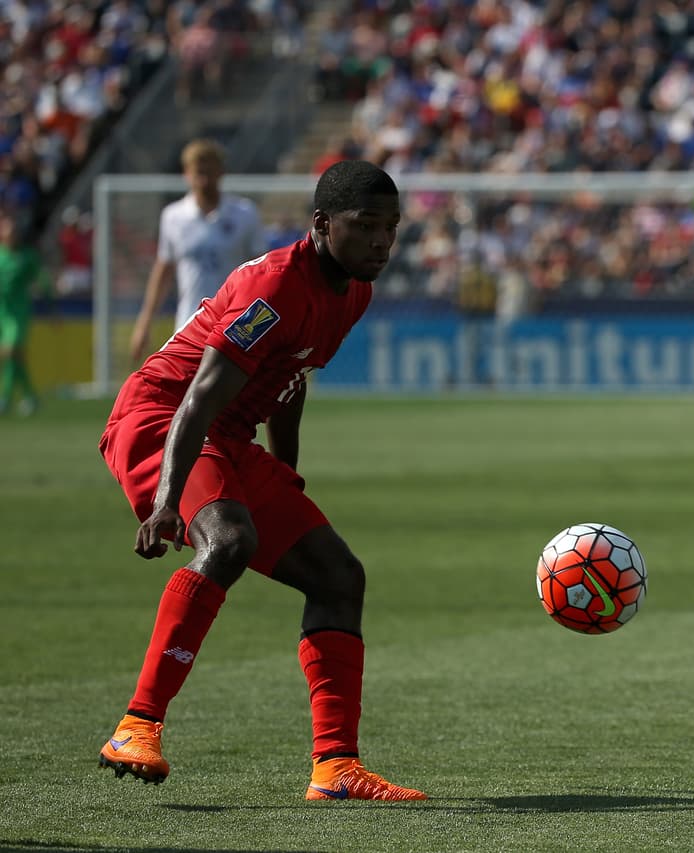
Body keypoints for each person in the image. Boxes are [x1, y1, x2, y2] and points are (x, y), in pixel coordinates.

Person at [98, 160, 425, 801]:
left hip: (229, 436)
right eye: (366, 227)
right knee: (227, 540)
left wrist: (287, 473)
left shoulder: (353, 289)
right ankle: (136, 726)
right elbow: (196, 398)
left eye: (391, 228)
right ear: (322, 224)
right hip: (161, 418)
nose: (382, 242)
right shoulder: (273, 290)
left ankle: (336, 769)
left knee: (338, 575)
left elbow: (289, 382)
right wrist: (167, 502)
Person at [129, 139, 265, 363]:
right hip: (189, 323)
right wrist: (144, 323)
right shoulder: (173, 216)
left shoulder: (244, 213)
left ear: (221, 173)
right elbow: (163, 272)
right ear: (186, 174)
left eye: (209, 172)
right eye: (198, 172)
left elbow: (260, 271)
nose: (203, 179)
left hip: (235, 322)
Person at [0, 209, 53, 417]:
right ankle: (30, 396)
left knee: (11, 350)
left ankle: (4, 398)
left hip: (19, 312)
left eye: (13, 230)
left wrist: (52, 308)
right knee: (16, 357)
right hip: (2, 312)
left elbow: (42, 281)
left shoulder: (27, 256)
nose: (10, 233)